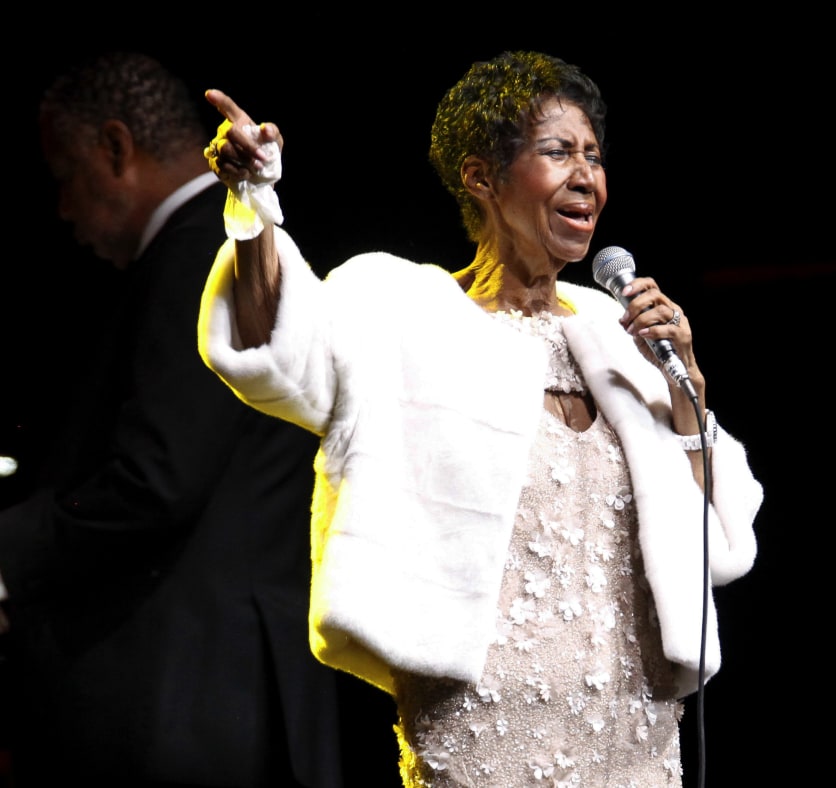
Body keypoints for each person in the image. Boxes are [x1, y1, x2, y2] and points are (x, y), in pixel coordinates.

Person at [198, 50, 764, 786]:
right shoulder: (403, 309)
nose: (586, 176)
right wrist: (253, 202)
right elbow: (278, 351)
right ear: (481, 177)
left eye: (593, 155)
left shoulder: (613, 334)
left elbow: (718, 543)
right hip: (485, 727)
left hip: (636, 725)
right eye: (559, 152)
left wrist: (689, 387)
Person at [0, 51, 387, 786]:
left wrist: (9, 557)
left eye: (64, 177)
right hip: (232, 698)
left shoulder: (208, 248)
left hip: (197, 707)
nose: (62, 208)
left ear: (116, 148)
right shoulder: (203, 246)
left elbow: (158, 476)